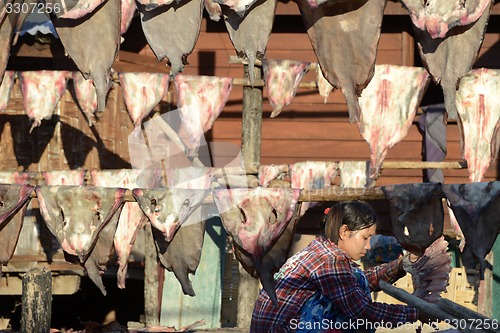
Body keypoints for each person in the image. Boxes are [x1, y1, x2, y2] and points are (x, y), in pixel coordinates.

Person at [250, 200, 429, 333]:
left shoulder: (322, 251)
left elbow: (353, 284)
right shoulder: (328, 261)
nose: (368, 246)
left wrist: (401, 265)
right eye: (365, 238)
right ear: (344, 232)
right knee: (357, 318)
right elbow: (362, 311)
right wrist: (416, 314)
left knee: (356, 284)